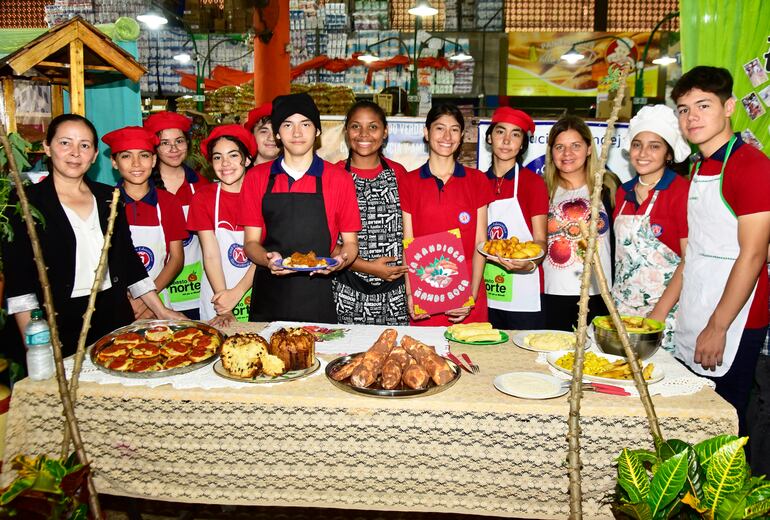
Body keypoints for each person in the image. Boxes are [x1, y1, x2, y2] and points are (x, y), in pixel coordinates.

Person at [2, 114, 184, 358]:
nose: (75, 153)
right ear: (47, 147)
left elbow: (129, 262)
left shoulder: (110, 197)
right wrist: (35, 346)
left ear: (95, 155)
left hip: (113, 315)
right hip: (55, 322)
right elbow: (19, 284)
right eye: (65, 143)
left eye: (84, 145)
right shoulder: (25, 203)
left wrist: (160, 310)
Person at [671, 66, 770, 440]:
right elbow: (694, 251)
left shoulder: (752, 167)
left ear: (729, 107)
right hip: (697, 307)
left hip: (735, 320)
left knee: (724, 433)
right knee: (691, 426)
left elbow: (754, 255)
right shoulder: (699, 167)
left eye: (702, 105)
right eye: (683, 109)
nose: (691, 117)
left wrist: (718, 326)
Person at [240, 93, 361, 323]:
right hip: (269, 294)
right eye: (288, 125)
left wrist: (339, 262)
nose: (297, 133)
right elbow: (251, 244)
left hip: (317, 295)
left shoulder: (339, 179)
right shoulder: (257, 178)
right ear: (277, 133)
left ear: (317, 131)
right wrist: (268, 260)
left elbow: (351, 244)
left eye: (305, 124)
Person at [399, 103, 493, 326]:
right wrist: (411, 293)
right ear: (426, 132)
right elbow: (408, 242)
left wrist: (470, 295)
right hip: (426, 296)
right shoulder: (408, 182)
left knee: (471, 359)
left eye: (454, 129)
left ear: (461, 136)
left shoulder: (477, 180)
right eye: (439, 128)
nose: (447, 136)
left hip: (467, 295)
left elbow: (481, 242)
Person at [611, 105, 691, 353]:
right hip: (621, 311)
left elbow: (688, 261)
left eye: (654, 146)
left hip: (665, 313)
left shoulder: (681, 192)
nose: (643, 153)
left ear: (668, 153)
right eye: (637, 144)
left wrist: (658, 314)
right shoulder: (623, 192)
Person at [331, 100, 409, 325]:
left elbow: (411, 231)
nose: (364, 134)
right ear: (347, 132)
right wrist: (368, 267)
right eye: (356, 126)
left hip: (396, 294)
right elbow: (324, 239)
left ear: (385, 132)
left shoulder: (399, 174)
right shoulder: (333, 175)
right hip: (346, 289)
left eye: (373, 127)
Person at [543, 114, 619, 331]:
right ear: (551, 152)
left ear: (588, 149)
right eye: (559, 147)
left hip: (598, 293)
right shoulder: (542, 190)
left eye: (575, 145)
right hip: (552, 293)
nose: (567, 153)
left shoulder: (609, 188)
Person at [101, 126, 187, 318]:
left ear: (154, 160)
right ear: (114, 162)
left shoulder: (168, 202)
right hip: (116, 301)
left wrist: (146, 299)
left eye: (144, 155)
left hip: (159, 298)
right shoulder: (104, 202)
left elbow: (176, 259)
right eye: (126, 156)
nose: (136, 164)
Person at [483, 107, 548, 329]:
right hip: (485, 289)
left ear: (522, 144)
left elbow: (540, 241)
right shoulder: (477, 182)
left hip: (524, 287)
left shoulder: (533, 183)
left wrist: (528, 264)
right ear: (490, 137)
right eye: (500, 132)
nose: (507, 140)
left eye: (516, 134)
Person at [188, 125, 257, 327]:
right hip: (216, 292)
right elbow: (210, 254)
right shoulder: (203, 198)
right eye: (217, 157)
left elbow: (267, 252)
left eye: (233, 155)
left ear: (247, 159)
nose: (225, 163)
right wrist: (224, 302)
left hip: (255, 288)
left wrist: (236, 293)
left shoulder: (261, 196)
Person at [144, 111, 210, 319]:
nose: (174, 149)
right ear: (154, 148)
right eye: (165, 143)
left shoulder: (200, 185)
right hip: (152, 290)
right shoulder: (141, 186)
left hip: (195, 287)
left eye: (179, 141)